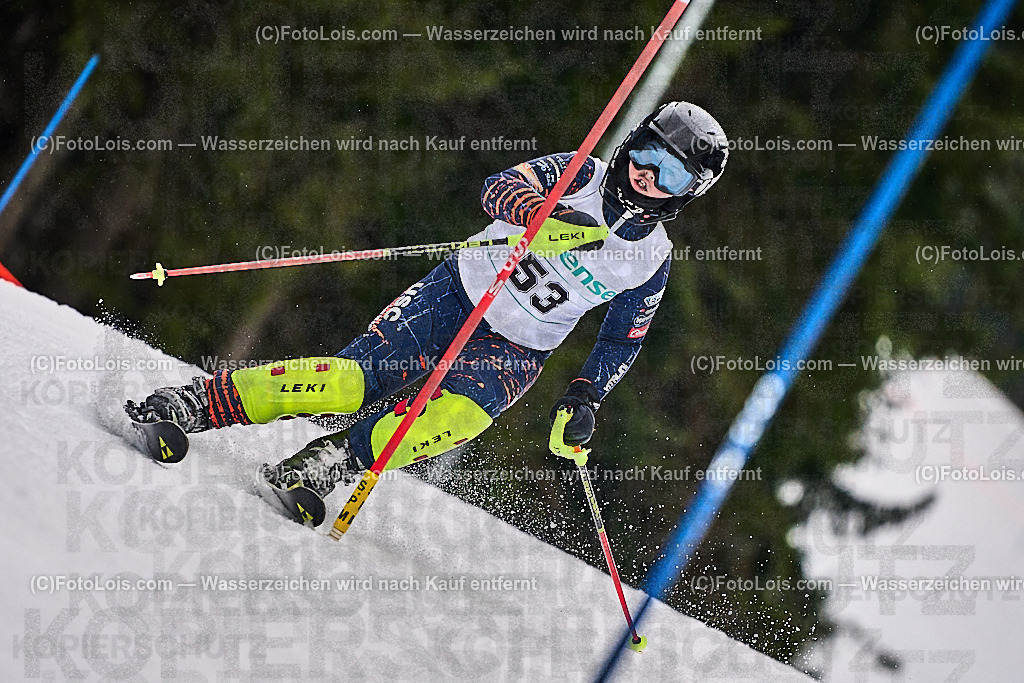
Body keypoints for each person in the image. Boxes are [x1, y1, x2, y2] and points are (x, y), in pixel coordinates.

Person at [126, 101, 729, 518]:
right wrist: (538, 217)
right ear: (633, 143)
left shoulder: (650, 259)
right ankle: (193, 404)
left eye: (672, 173)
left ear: (688, 193)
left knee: (450, 421)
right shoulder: (579, 174)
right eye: (649, 154)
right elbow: (497, 187)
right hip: (461, 290)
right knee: (352, 383)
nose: (650, 175)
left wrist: (584, 398)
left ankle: (325, 462)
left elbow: (623, 339)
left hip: (519, 347)